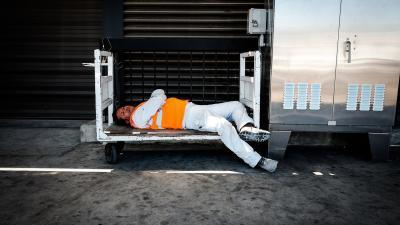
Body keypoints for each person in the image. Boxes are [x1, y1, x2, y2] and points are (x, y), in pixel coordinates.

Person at [114, 89, 278, 172]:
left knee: (236, 106)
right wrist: (158, 99)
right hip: (190, 118)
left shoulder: (142, 107)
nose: (124, 109)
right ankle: (256, 160)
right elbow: (158, 96)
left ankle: (247, 128)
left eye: (122, 108)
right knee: (224, 126)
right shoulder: (137, 118)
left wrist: (158, 98)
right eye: (122, 113)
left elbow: (158, 94)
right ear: (126, 120)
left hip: (194, 109)